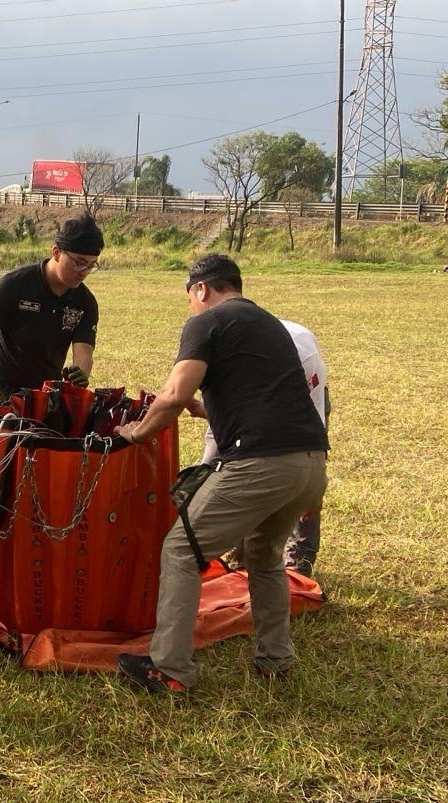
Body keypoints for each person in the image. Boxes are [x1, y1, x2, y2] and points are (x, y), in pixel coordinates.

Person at [112, 254, 328, 698]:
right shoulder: (269, 323)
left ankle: (169, 669)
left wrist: (137, 433)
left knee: (180, 548)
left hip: (260, 465)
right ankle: (276, 661)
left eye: (190, 298)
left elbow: (172, 394)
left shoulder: (206, 322)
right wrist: (206, 410)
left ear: (200, 289)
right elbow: (267, 400)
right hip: (310, 464)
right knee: (265, 554)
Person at [0, 211, 103, 590]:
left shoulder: (84, 303)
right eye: (78, 262)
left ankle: (19, 565)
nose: (83, 271)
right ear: (56, 252)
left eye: (91, 265)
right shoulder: (16, 284)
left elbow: (83, 351)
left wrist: (80, 374)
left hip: (44, 404)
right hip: (0, 399)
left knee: (35, 485)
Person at [201, 318, 330, 575]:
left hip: (299, 411)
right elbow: (216, 446)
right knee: (218, 471)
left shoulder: (301, 355)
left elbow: (313, 444)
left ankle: (300, 559)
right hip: (244, 403)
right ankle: (235, 548)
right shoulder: (220, 348)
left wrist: (313, 494)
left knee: (299, 474)